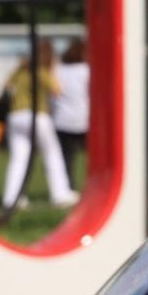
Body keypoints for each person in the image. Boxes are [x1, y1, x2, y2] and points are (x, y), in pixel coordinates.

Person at [1, 40, 77, 211]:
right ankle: (60, 194)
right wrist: (53, 71)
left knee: (19, 158)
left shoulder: (22, 69)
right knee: (52, 153)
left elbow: (6, 85)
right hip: (37, 115)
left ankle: (12, 198)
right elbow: (57, 90)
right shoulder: (42, 71)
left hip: (16, 115)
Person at [51, 38, 90, 186]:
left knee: (66, 157)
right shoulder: (85, 70)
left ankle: (67, 185)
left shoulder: (58, 70)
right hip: (83, 118)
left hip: (62, 119)